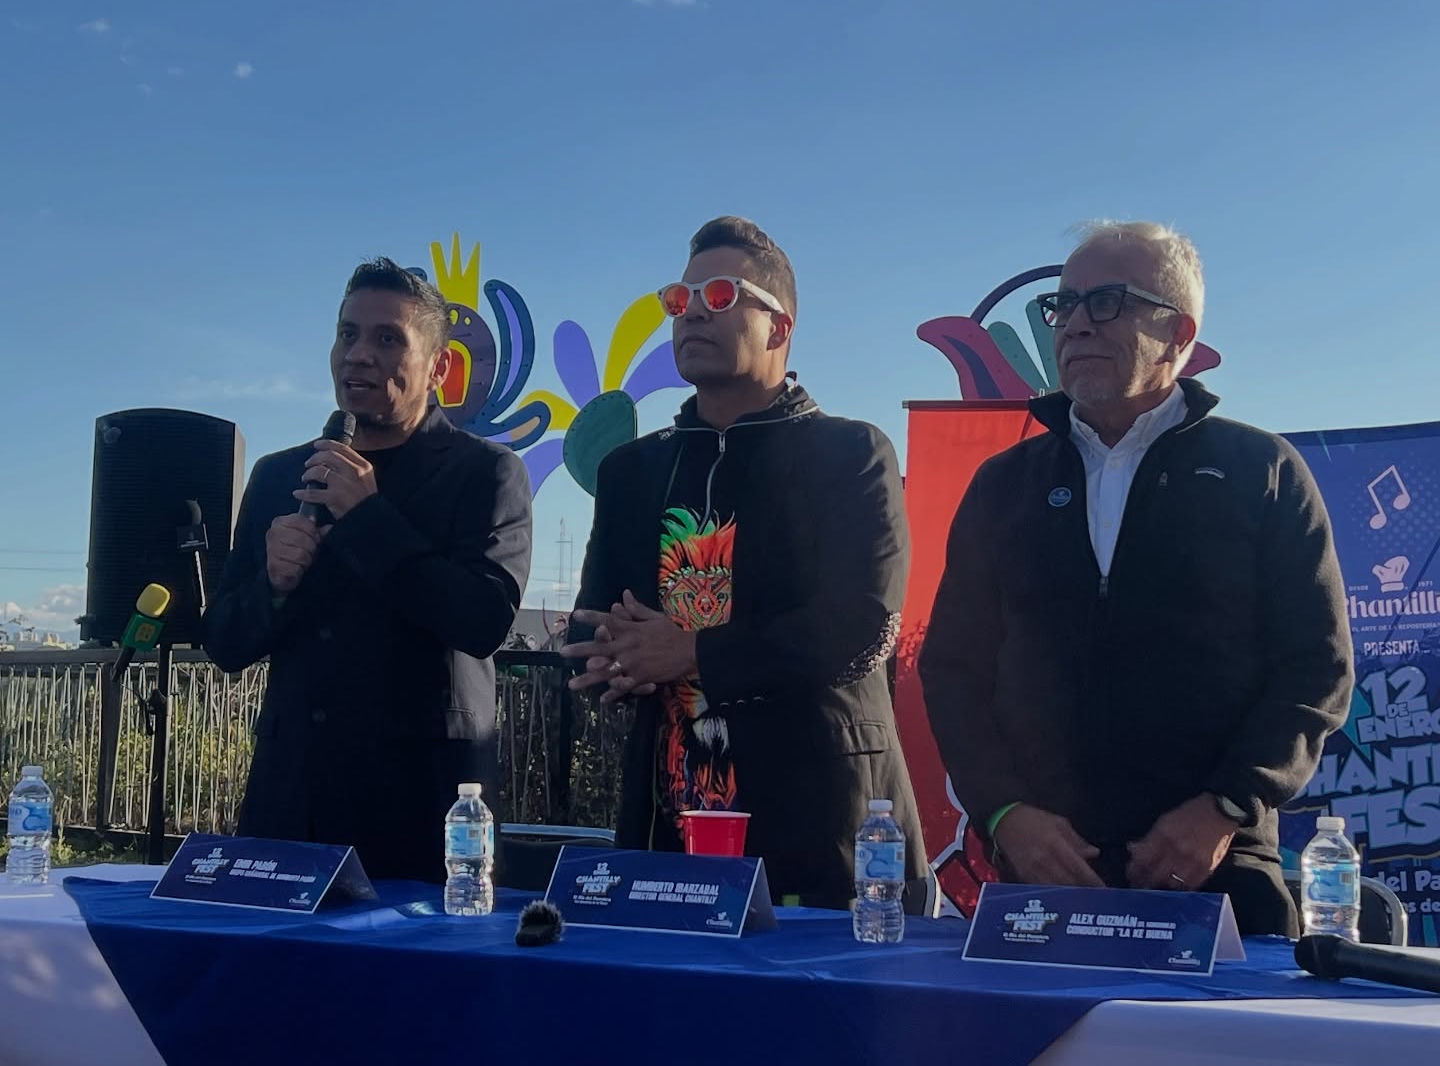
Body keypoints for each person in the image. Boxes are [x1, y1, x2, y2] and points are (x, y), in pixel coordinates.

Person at [919, 221, 1352, 936]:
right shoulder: (1003, 484)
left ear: (1179, 333)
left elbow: (1317, 670)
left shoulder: (1262, 471)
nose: (1076, 325)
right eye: (1065, 305)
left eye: (1108, 302)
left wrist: (1227, 806)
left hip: (1218, 875)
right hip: (1041, 876)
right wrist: (1004, 813)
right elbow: (954, 670)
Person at [561, 216, 926, 910]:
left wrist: (693, 652)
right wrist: (609, 660)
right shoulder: (633, 471)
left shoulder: (849, 453)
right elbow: (594, 624)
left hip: (822, 824)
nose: (694, 309)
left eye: (723, 295)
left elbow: (861, 627)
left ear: (779, 328)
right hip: (666, 823)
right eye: (680, 297)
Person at [204, 257, 532, 882]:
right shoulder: (281, 474)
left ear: (438, 367)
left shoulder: (483, 473)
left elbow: (482, 620)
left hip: (421, 808)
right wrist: (271, 586)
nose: (358, 355)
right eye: (347, 334)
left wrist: (369, 517)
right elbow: (223, 640)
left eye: (388, 339)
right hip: (293, 800)